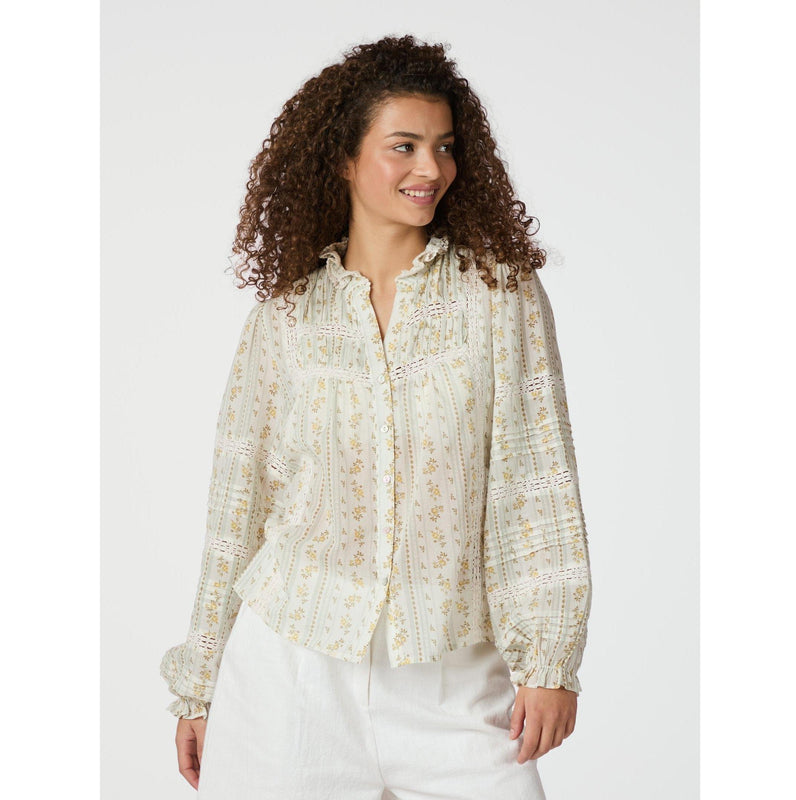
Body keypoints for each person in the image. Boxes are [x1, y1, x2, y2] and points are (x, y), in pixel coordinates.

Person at [159, 34, 592, 800]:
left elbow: (537, 483)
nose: (431, 169)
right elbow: (239, 506)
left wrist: (550, 661)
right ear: (344, 159)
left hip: (454, 679)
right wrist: (199, 684)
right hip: (289, 672)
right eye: (404, 146)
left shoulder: (498, 296)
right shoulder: (287, 315)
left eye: (445, 146)